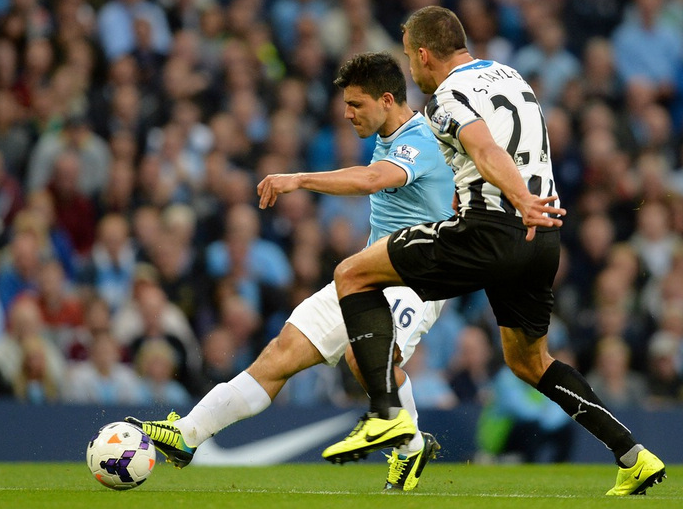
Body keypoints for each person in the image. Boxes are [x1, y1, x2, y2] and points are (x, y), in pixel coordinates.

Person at [322, 6, 665, 497]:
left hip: (494, 229)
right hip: (543, 235)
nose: (411, 71)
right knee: (529, 361)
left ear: (424, 55)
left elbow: (485, 149)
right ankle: (633, 455)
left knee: (353, 273)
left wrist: (520, 199)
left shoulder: (445, 98)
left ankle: (386, 414)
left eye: (410, 59)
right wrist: (520, 201)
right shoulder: (511, 77)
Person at [126, 51, 455, 491]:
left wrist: (298, 179)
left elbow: (373, 179)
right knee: (280, 353)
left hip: (418, 280)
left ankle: (409, 447)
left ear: (387, 99)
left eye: (355, 104)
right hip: (366, 274)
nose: (347, 114)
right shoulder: (388, 136)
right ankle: (188, 434)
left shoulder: (423, 139)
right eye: (346, 104)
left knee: (365, 355)